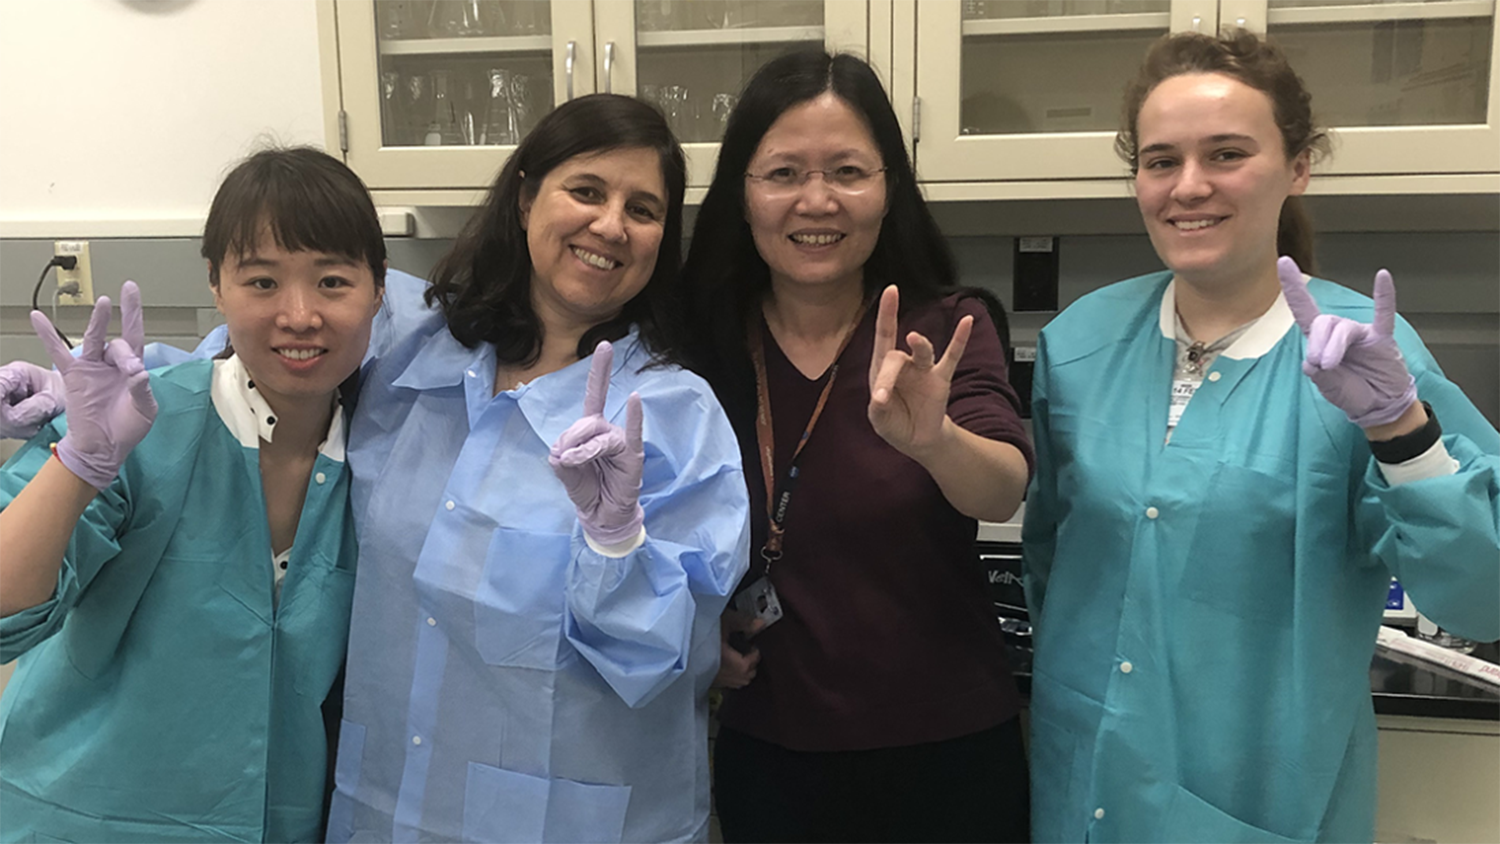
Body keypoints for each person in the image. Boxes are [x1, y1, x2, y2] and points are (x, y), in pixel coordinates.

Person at [1022, 29, 1500, 843]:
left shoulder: (1366, 353)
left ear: (1299, 166)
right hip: (1084, 787)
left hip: (1262, 796)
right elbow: (1051, 563)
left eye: (1227, 154)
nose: (1189, 186)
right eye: (1161, 159)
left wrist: (1399, 430)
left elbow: (1480, 597)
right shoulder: (1079, 343)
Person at [323, 94, 748, 843]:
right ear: (524, 198)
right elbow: (264, 351)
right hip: (385, 805)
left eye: (643, 209)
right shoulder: (413, 352)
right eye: (586, 191)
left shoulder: (673, 417)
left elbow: (661, 665)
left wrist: (616, 543)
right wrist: (101, 398)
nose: (611, 225)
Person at [682, 51, 1033, 843]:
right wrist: (694, 630)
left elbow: (1002, 487)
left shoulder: (945, 327)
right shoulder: (696, 345)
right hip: (766, 744)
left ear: (889, 190)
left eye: (848, 170)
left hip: (946, 753)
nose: (817, 201)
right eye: (782, 174)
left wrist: (937, 442)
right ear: (741, 193)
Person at [0, 147, 386, 843]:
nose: (300, 316)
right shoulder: (139, 428)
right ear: (216, 284)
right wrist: (78, 463)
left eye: (332, 281)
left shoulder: (383, 459)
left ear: (379, 291)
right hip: (79, 816)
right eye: (262, 282)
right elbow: (5, 608)